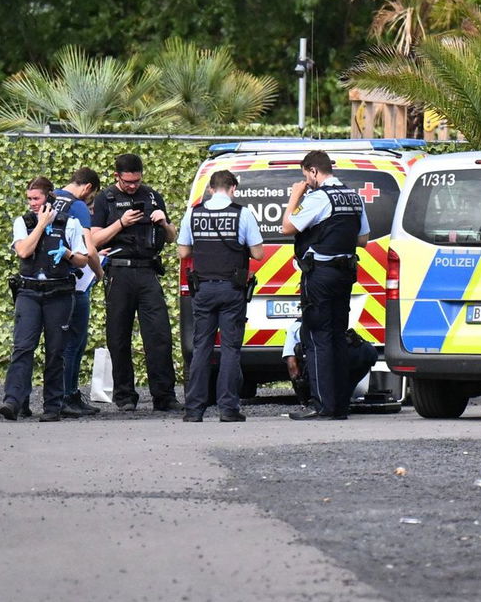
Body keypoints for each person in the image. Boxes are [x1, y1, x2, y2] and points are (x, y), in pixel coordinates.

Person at [89, 153, 179, 411]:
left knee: (159, 335)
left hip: (147, 271)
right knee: (118, 336)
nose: (132, 186)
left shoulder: (151, 196)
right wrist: (121, 223)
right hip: (119, 272)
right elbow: (94, 240)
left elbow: (172, 237)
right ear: (117, 176)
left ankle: (165, 396)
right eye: (128, 182)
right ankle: (125, 396)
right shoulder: (105, 199)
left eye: (136, 181)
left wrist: (163, 222)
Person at [282, 149, 367, 420]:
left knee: (317, 338)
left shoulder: (319, 198)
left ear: (314, 171)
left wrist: (295, 197)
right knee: (338, 337)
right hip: (344, 273)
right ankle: (339, 405)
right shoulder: (353, 196)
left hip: (320, 275)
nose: (307, 181)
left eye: (306, 176)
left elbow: (287, 227)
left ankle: (321, 405)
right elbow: (362, 238)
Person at [177, 169, 265, 422]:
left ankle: (194, 410)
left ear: (211, 189)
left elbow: (183, 253)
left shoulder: (193, 214)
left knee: (201, 347)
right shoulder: (242, 214)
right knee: (229, 349)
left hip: (203, 289)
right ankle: (228, 409)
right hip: (231, 289)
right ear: (233, 188)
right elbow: (258, 254)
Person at [1, 176, 91, 422]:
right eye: (29, 198)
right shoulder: (24, 222)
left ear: (48, 197)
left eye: (36, 198)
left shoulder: (69, 223)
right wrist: (41, 224)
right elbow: (23, 251)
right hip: (29, 291)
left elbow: (83, 258)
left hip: (59, 292)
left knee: (55, 350)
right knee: (23, 347)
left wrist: (69, 253)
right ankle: (13, 401)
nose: (31, 203)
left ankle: (53, 405)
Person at [54, 167, 103, 416]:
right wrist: (100, 271)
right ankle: (68, 396)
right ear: (87, 188)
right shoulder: (78, 205)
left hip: (52, 280)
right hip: (75, 282)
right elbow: (90, 248)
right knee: (76, 340)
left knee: (59, 342)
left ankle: (58, 395)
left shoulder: (52, 196)